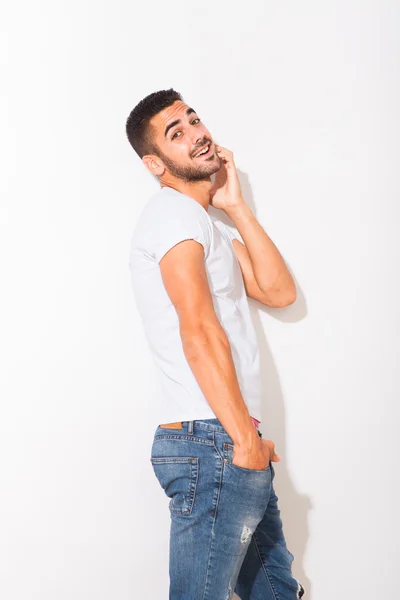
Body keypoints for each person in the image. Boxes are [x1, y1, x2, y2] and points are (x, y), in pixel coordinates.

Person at [126, 88, 305, 599]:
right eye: (175, 133)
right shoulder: (173, 216)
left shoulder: (208, 227)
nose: (197, 135)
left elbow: (278, 291)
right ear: (156, 164)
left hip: (226, 439)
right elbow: (199, 330)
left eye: (195, 120)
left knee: (276, 593)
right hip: (212, 441)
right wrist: (242, 442)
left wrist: (235, 205)